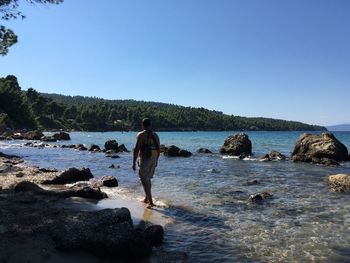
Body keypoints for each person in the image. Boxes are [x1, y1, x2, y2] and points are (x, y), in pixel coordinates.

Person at [132, 118, 160, 208]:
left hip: (145, 158)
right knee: (147, 179)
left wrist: (133, 162)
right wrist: (156, 161)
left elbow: (136, 149)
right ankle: (146, 198)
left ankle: (150, 202)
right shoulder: (155, 135)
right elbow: (159, 149)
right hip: (154, 158)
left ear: (142, 125)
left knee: (144, 181)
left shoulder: (141, 134)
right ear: (150, 125)